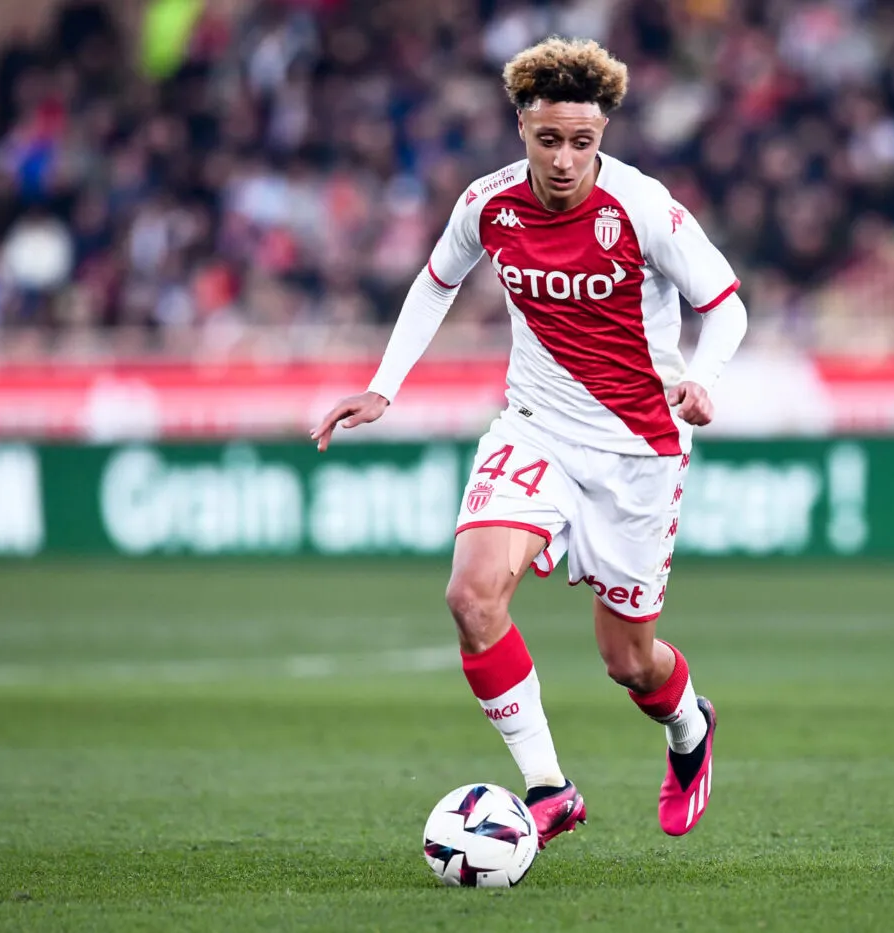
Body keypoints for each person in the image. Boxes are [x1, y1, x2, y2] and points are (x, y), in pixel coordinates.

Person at [310, 36, 748, 847]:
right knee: (472, 597)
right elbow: (435, 280)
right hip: (535, 430)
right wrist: (384, 385)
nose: (565, 159)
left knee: (629, 662)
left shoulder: (643, 207)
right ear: (522, 128)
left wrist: (705, 378)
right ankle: (550, 788)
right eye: (549, 139)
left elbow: (726, 306)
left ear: (602, 136)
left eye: (583, 141)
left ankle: (689, 727)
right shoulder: (487, 203)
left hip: (638, 451)